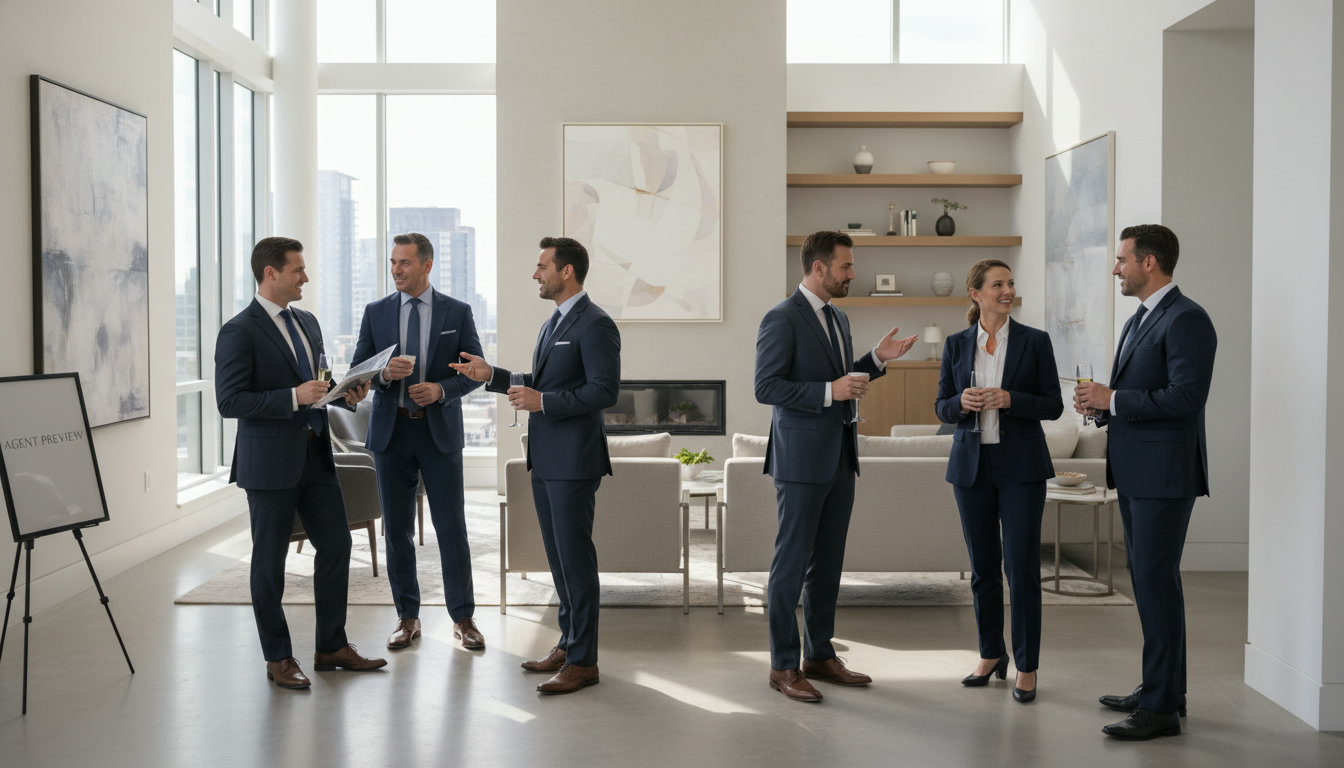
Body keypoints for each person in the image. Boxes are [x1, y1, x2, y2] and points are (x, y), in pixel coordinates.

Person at [753, 230, 919, 703]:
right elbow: (767, 387)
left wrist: (875, 361)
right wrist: (829, 392)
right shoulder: (780, 318)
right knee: (790, 566)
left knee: (827, 566)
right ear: (819, 268)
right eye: (846, 266)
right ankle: (783, 665)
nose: (852, 274)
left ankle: (819, 655)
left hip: (841, 457)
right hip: (800, 460)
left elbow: (842, 378)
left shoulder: (840, 318)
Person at [452, 237, 620, 695]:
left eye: (542, 265)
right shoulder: (554, 323)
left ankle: (584, 661)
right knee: (560, 562)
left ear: (567, 271)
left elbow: (605, 391)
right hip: (546, 459)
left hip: (574, 461)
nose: (536, 273)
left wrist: (543, 401)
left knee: (576, 560)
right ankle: (570, 642)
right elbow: (540, 384)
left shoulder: (596, 324)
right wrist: (493, 377)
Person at [215, 236, 385, 689]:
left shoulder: (308, 321)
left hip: (316, 454)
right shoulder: (238, 330)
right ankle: (278, 657)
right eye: (298, 270)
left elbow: (321, 381)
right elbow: (229, 400)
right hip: (268, 464)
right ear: (271, 273)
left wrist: (347, 395)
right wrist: (292, 397)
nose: (305, 277)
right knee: (268, 563)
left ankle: (331, 646)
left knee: (338, 546)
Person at [1074, 224, 1217, 740]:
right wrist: (1103, 405)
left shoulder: (1187, 319)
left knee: (1154, 585)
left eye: (1122, 259)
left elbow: (1186, 399)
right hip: (1138, 472)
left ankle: (1158, 710)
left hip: (1164, 475)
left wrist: (1114, 400)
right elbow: (1140, 394)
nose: (1116, 267)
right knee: (1155, 584)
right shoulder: (1142, 318)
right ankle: (1165, 691)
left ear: (1149, 262)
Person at [349, 232, 487, 652]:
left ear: (426, 265)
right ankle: (407, 617)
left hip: (438, 432)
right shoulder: (375, 312)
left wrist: (442, 390)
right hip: (391, 434)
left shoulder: (457, 312)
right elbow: (359, 369)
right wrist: (385, 376)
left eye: (405, 263)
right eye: (393, 262)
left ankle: (463, 618)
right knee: (397, 531)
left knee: (451, 529)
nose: (396, 270)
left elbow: (475, 371)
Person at [935, 259, 1062, 704]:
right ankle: (991, 653)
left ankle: (1026, 666)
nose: (1007, 290)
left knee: (1022, 569)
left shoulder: (1035, 342)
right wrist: (960, 402)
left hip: (1022, 469)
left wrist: (1011, 399)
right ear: (976, 294)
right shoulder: (956, 345)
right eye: (998, 284)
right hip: (971, 468)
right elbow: (940, 407)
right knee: (983, 570)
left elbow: (1053, 405)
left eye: (1010, 283)